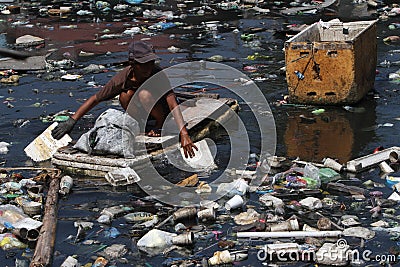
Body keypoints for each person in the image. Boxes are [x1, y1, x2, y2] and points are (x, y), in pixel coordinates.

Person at [52, 41, 197, 158]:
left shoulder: (157, 73)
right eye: (144, 65)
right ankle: (141, 125)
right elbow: (95, 99)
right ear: (133, 64)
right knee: (125, 95)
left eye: (151, 63)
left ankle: (159, 126)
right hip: (143, 113)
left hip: (162, 111)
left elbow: (172, 102)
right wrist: (72, 120)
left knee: (144, 94)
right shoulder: (123, 78)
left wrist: (184, 134)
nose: (148, 68)